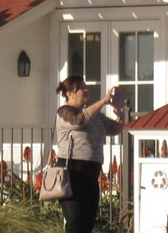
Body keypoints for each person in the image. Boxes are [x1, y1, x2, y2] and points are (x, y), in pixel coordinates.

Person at [53, 75, 125, 233]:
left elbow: (115, 129)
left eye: (86, 87)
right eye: (81, 88)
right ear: (69, 93)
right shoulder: (64, 112)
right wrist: (103, 101)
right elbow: (79, 121)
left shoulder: (95, 115)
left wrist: (120, 113)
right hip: (71, 175)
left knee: (87, 225)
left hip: (91, 177)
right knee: (75, 225)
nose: (86, 90)